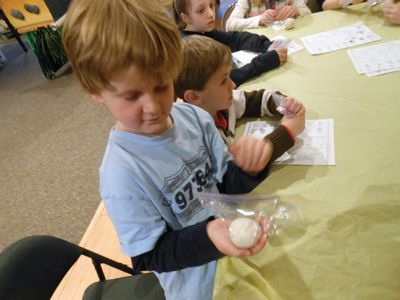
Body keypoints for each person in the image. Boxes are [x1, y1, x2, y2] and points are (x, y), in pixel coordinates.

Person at [62, 0, 280, 299]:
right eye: (132, 95)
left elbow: (224, 187)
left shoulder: (195, 117)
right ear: (96, 91)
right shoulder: (121, 174)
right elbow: (148, 256)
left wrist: (247, 169)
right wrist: (209, 237)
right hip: (198, 290)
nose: (153, 107)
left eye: (161, 85)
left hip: (237, 260)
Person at [175, 35, 305, 166]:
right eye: (223, 81)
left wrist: (284, 103)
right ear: (194, 97)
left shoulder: (220, 103)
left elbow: (258, 99)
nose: (232, 85)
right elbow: (238, 173)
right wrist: (287, 132)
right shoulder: (200, 138)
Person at [173, 0, 288, 87]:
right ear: (186, 18)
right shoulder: (191, 48)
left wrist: (265, 45)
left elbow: (235, 38)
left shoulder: (204, 30)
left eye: (211, 5)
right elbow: (224, 80)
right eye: (200, 10)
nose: (210, 13)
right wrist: (265, 61)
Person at [226, 0, 311, 32]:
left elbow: (308, 12)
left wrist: (296, 10)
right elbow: (229, 25)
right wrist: (259, 20)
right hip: (259, 43)